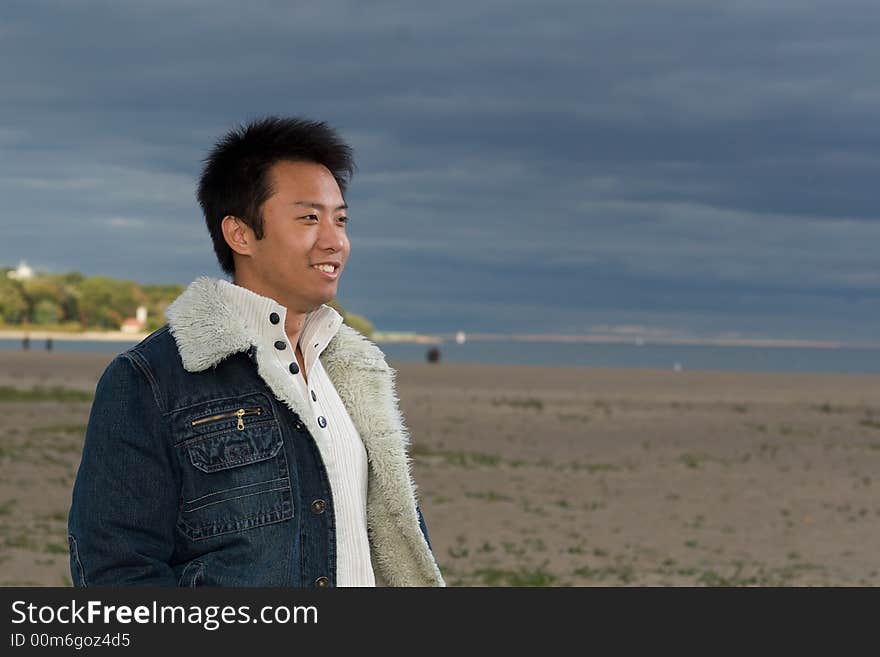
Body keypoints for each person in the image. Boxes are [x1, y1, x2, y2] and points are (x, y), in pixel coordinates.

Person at [68, 117, 444, 587]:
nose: (335, 240)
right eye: (309, 218)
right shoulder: (151, 380)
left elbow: (394, 548)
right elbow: (115, 573)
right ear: (240, 234)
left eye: (340, 219)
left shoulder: (356, 372)